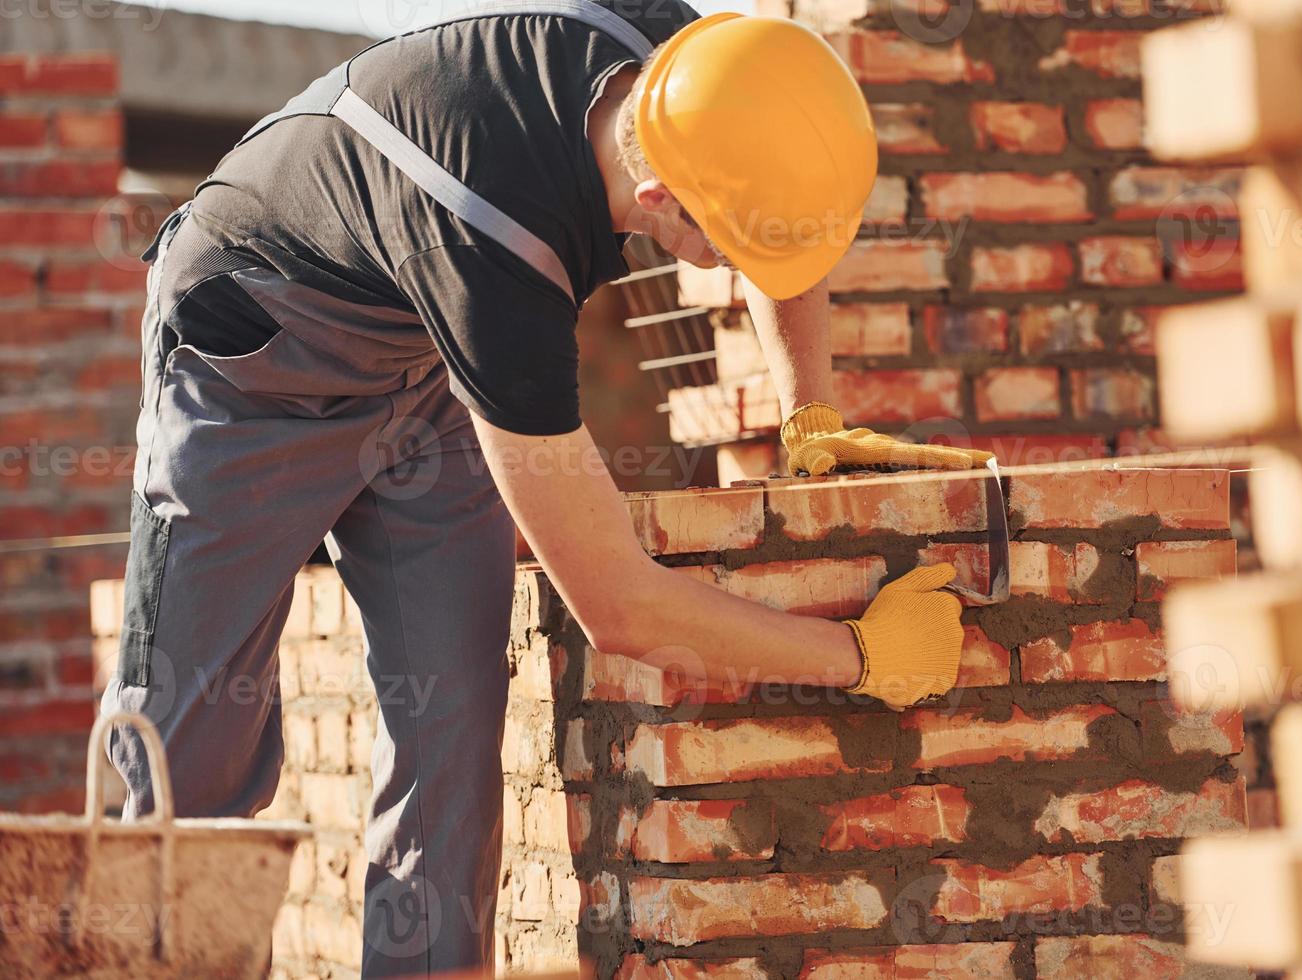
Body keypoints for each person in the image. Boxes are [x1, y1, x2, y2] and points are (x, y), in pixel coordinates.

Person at [101, 2, 992, 973]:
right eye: (725, 246)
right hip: (251, 351)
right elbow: (618, 603)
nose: (736, 267)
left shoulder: (691, 68)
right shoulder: (498, 245)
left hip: (425, 353)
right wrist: (855, 654)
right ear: (659, 200)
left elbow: (770, 206)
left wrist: (808, 415)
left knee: (452, 717)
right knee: (191, 753)